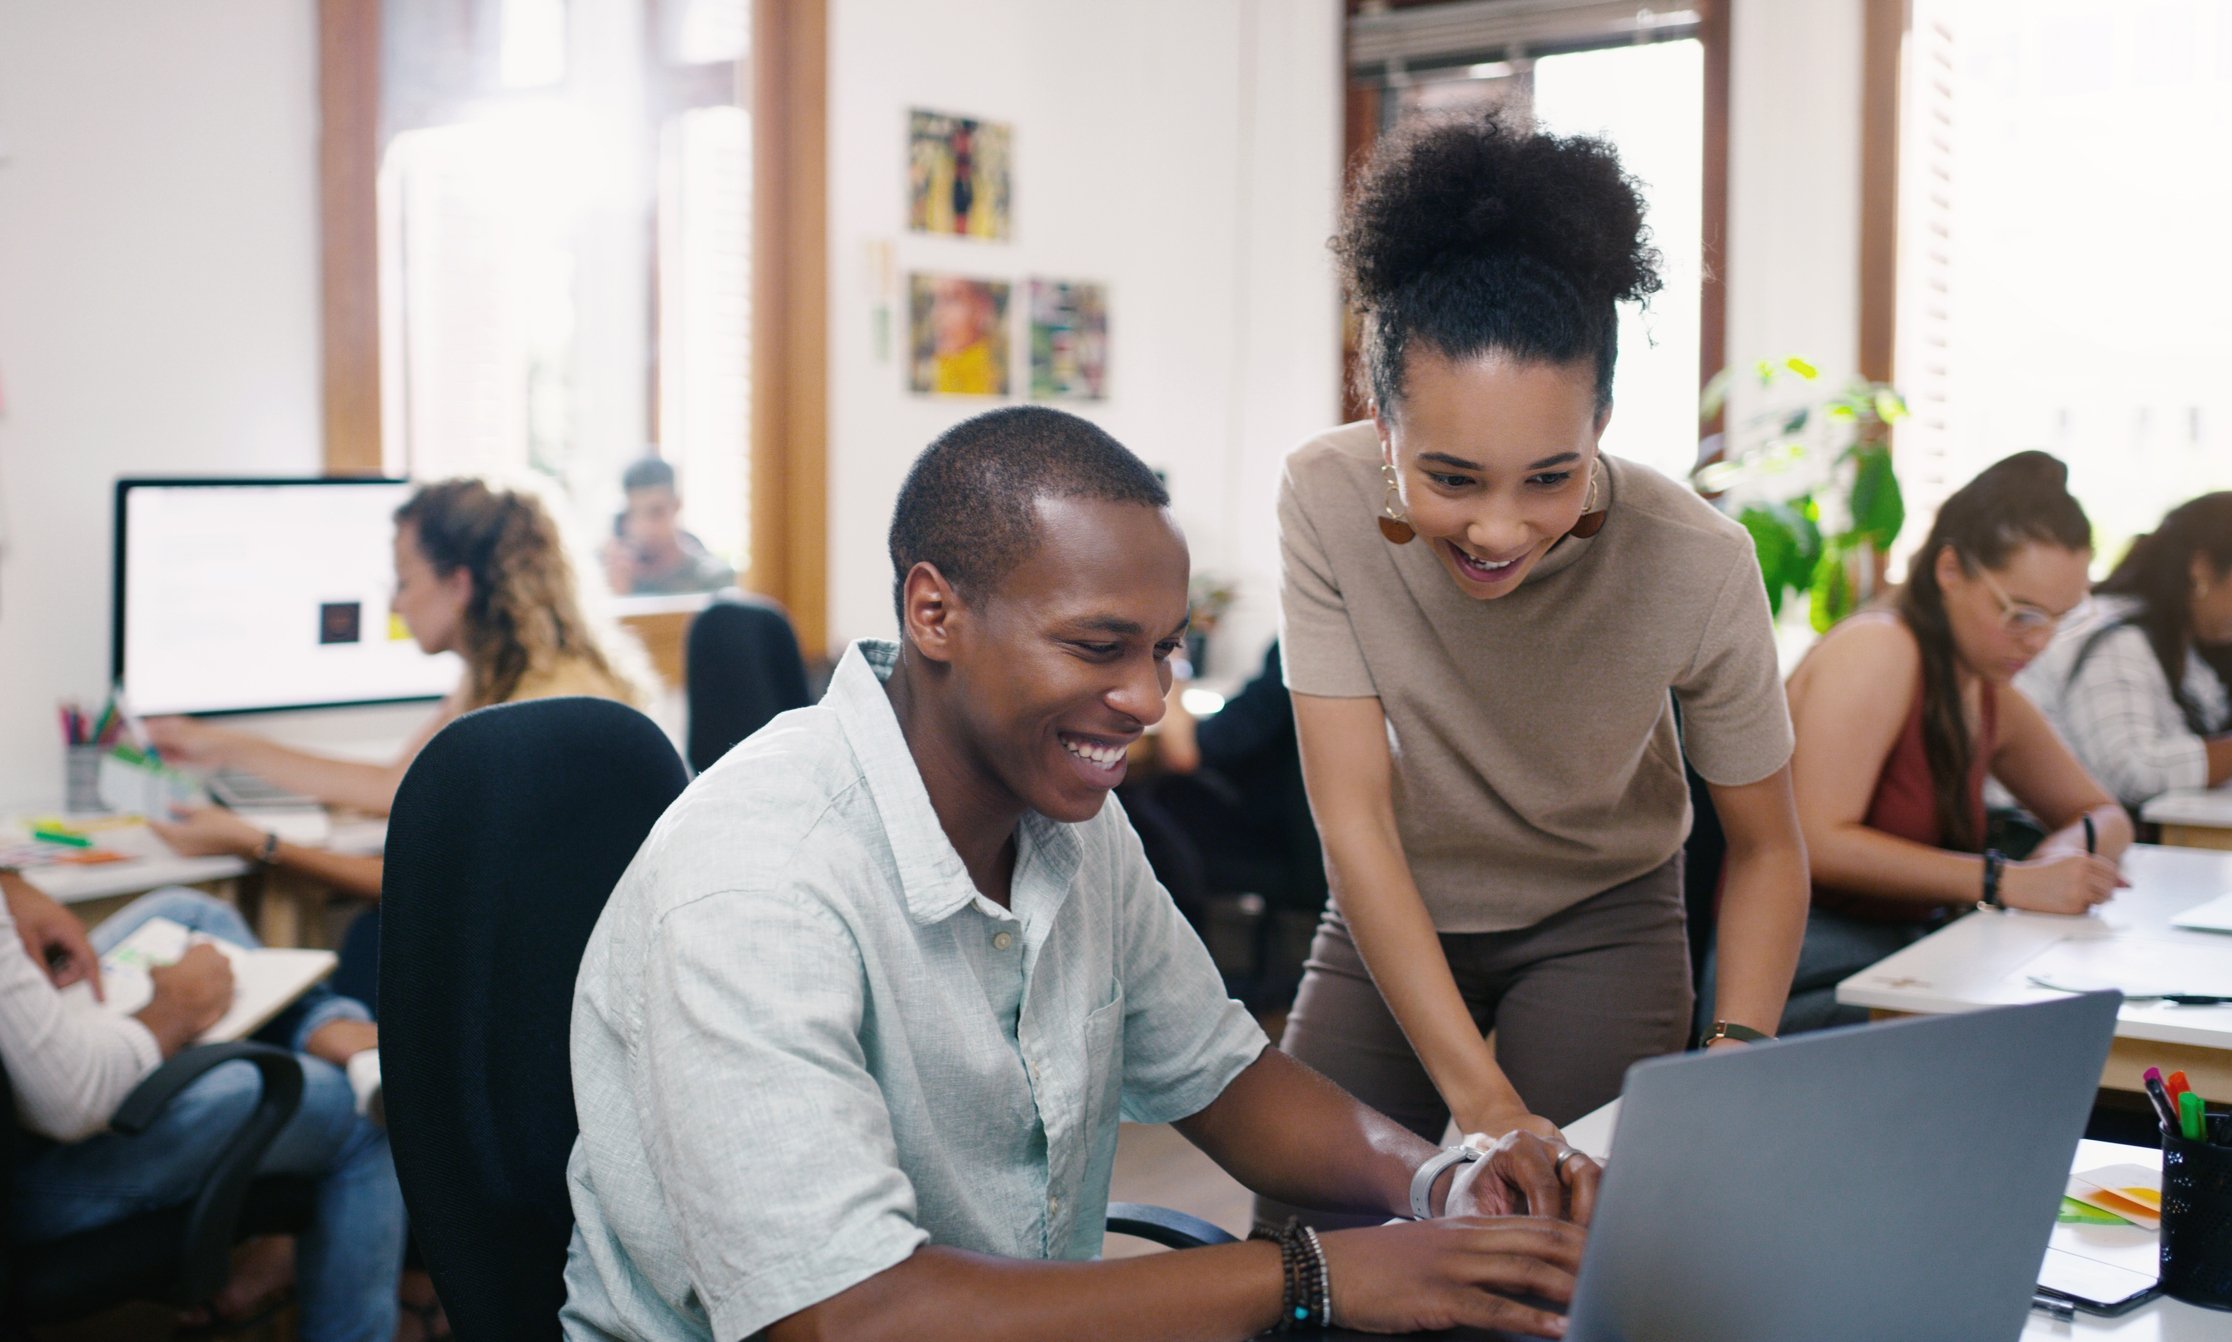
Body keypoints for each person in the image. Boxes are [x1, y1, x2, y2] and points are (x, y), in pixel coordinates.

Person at [561, 407, 1595, 1342]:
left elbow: (1222, 1075)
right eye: (1100, 646)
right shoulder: (759, 888)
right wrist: (1311, 1274)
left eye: (1164, 650)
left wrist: (1436, 1178)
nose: (1147, 698)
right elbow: (845, 1317)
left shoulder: (1068, 821)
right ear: (935, 613)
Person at [1267, 109, 1809, 1208]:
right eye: (1452, 479)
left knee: (1562, 1248)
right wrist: (1481, 1097)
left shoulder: (1698, 562)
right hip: (1395, 895)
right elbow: (1351, 817)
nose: (1501, 529)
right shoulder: (1323, 496)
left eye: (1551, 478)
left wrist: (1736, 1053)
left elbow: (1766, 848)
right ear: (1381, 424)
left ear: (1604, 420)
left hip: (1603, 913)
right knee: (1311, 1243)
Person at [146, 479, 649, 1000]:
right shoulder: (497, 678)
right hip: (517, 950)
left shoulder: (543, 712)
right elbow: (393, 785)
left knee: (343, 954)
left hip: (533, 980)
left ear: (459, 585)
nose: (394, 604)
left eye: (405, 581)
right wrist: (219, 745)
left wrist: (256, 843)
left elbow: (435, 887)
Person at [1769, 452, 2133, 1032]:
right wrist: (2004, 881)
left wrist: (2066, 851)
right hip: (1803, 969)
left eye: (2059, 620)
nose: (2038, 642)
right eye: (2021, 614)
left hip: (1904, 959)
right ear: (1949, 570)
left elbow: (2103, 811)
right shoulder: (1878, 648)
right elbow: (1817, 840)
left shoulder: (1979, 682)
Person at [0, 876, 403, 1342]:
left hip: (27, 1102)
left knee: (187, 915)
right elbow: (69, 1100)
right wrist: (173, 1011)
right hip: (26, 1181)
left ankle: (327, 1030)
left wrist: (9, 888)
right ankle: (354, 1052)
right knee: (364, 1109)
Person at [2016, 491, 2232, 809]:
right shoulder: (2117, 636)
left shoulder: (2183, 649)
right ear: (2201, 567)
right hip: (2031, 840)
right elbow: (2131, 772)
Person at [602, 457, 737, 597]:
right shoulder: (616, 576)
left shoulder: (714, 579)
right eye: (635, 513)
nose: (646, 527)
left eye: (656, 512)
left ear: (677, 505)